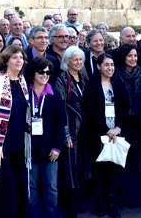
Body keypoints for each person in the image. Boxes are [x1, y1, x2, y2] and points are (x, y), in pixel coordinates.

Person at [0, 45, 29, 218]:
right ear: (6, 60)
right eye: (15, 57)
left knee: (20, 187)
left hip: (20, 144)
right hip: (2, 146)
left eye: (21, 58)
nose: (19, 61)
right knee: (6, 189)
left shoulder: (23, 82)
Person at [85, 53, 128, 218]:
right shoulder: (91, 85)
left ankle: (111, 203)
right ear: (99, 67)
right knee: (99, 171)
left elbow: (125, 108)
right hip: (98, 134)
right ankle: (99, 204)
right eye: (106, 65)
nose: (110, 68)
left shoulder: (118, 83)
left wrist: (118, 127)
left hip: (116, 134)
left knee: (113, 170)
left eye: (112, 65)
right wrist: (105, 129)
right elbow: (91, 111)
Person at [25, 56, 66, 218]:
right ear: (33, 72)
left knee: (51, 186)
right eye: (41, 71)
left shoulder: (54, 95)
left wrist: (57, 147)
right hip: (30, 148)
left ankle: (51, 215)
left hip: (50, 148)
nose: (44, 75)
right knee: (32, 185)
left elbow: (60, 123)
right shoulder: (24, 92)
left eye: (48, 73)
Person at [54, 46, 89, 218]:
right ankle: (69, 206)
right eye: (75, 59)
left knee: (81, 165)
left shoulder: (83, 78)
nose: (78, 62)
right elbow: (60, 108)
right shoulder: (62, 79)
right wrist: (65, 134)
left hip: (83, 130)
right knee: (69, 167)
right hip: (70, 129)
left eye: (80, 59)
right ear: (67, 61)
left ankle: (79, 200)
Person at [113, 44, 141, 207]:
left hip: (139, 124)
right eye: (129, 56)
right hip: (122, 123)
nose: (133, 59)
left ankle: (135, 197)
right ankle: (122, 196)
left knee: (136, 161)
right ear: (123, 57)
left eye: (135, 56)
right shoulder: (116, 74)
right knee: (121, 162)